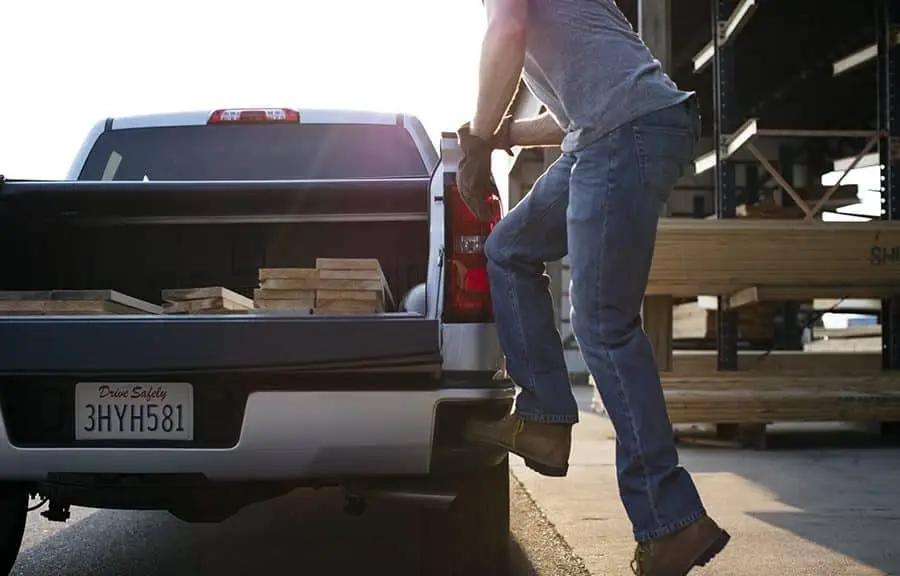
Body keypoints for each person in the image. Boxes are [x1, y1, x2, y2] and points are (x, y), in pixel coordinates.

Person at [456, 0, 731, 574]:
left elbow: (506, 29)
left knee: (604, 323)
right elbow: (571, 107)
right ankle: (547, 420)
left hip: (621, 132)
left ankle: (673, 520)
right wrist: (504, 133)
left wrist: (478, 142)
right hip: (606, 129)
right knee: (508, 249)